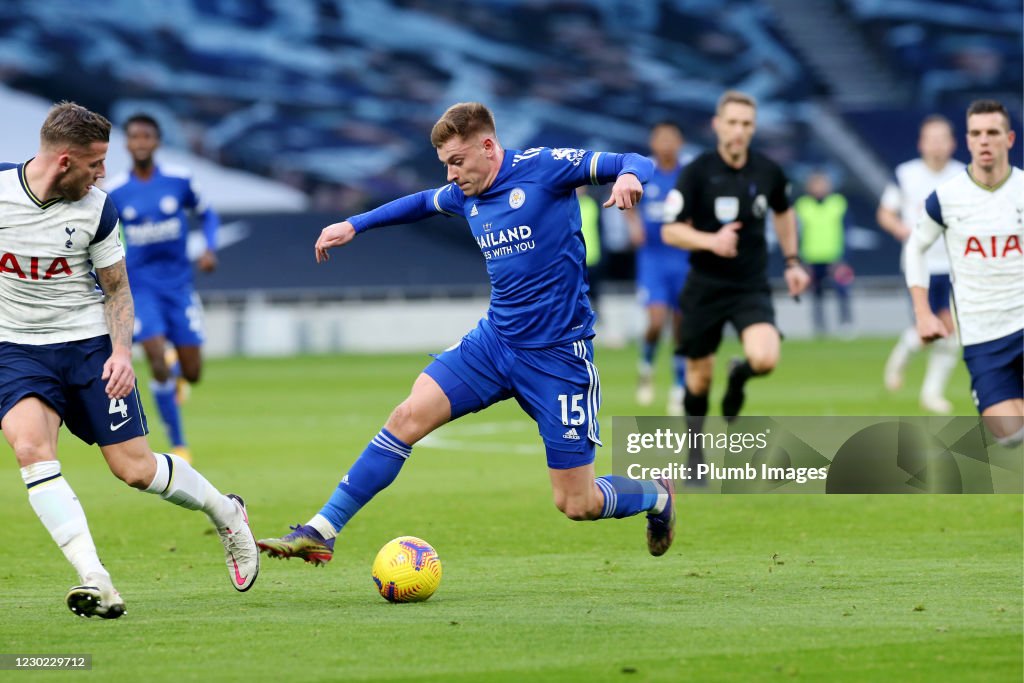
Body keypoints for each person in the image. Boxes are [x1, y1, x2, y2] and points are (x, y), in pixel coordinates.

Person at [258, 102, 677, 565]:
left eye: (458, 161)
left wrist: (629, 177)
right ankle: (322, 529)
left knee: (577, 504)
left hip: (557, 358)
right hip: (494, 344)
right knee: (405, 417)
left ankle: (656, 496)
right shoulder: (464, 193)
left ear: (489, 146)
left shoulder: (543, 169)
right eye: (446, 165)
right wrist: (355, 224)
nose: (452, 175)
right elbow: (420, 203)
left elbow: (634, 161)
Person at [0, 102, 258, 619]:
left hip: (88, 347)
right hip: (17, 350)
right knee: (31, 448)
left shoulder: (98, 209)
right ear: (66, 161)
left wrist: (121, 352)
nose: (102, 175)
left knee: (135, 471)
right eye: (96, 164)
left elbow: (117, 291)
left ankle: (226, 513)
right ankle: (96, 580)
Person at [661, 90, 809, 461]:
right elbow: (670, 230)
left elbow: (783, 213)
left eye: (745, 124)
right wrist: (711, 240)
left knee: (765, 359)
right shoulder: (696, 173)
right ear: (717, 125)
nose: (738, 130)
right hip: (705, 287)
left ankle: (739, 375)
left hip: (749, 286)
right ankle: (695, 454)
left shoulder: (769, 172)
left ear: (753, 128)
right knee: (699, 378)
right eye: (732, 123)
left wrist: (792, 261)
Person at [907, 99, 1022, 446]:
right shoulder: (945, 198)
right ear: (968, 141)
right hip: (982, 337)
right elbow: (914, 248)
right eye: (976, 133)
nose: (984, 140)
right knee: (1009, 433)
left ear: (1010, 139)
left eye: (992, 132)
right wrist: (923, 313)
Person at [106, 114, 219, 463]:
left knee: (193, 373)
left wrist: (210, 247)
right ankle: (179, 443)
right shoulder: (115, 191)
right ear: (126, 143)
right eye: (134, 136)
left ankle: (178, 374)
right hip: (140, 289)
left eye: (147, 136)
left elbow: (208, 214)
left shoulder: (179, 180)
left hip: (179, 286)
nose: (140, 142)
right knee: (155, 358)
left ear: (157, 142)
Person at [878, 115, 965, 414]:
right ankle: (902, 354)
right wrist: (901, 229)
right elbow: (885, 212)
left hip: (955, 266)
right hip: (920, 266)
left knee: (952, 333)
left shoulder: (964, 175)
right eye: (932, 139)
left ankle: (932, 393)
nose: (938, 145)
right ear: (921, 143)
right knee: (928, 331)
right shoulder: (906, 174)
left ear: (953, 143)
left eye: (943, 138)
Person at [625, 121, 689, 414]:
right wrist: (634, 224)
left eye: (671, 138)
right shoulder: (644, 171)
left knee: (681, 324)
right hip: (653, 258)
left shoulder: (687, 175)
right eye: (661, 138)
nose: (666, 144)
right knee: (656, 320)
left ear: (679, 142)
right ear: (653, 142)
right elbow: (626, 196)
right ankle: (646, 365)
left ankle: (679, 385)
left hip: (683, 257)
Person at [794, 171, 853, 338]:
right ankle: (819, 327)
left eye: (822, 184)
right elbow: (796, 234)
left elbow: (847, 232)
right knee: (816, 293)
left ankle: (845, 324)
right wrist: (800, 261)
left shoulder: (838, 203)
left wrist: (844, 259)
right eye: (815, 184)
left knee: (842, 291)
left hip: (835, 259)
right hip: (811, 259)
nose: (819, 188)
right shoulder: (802, 205)